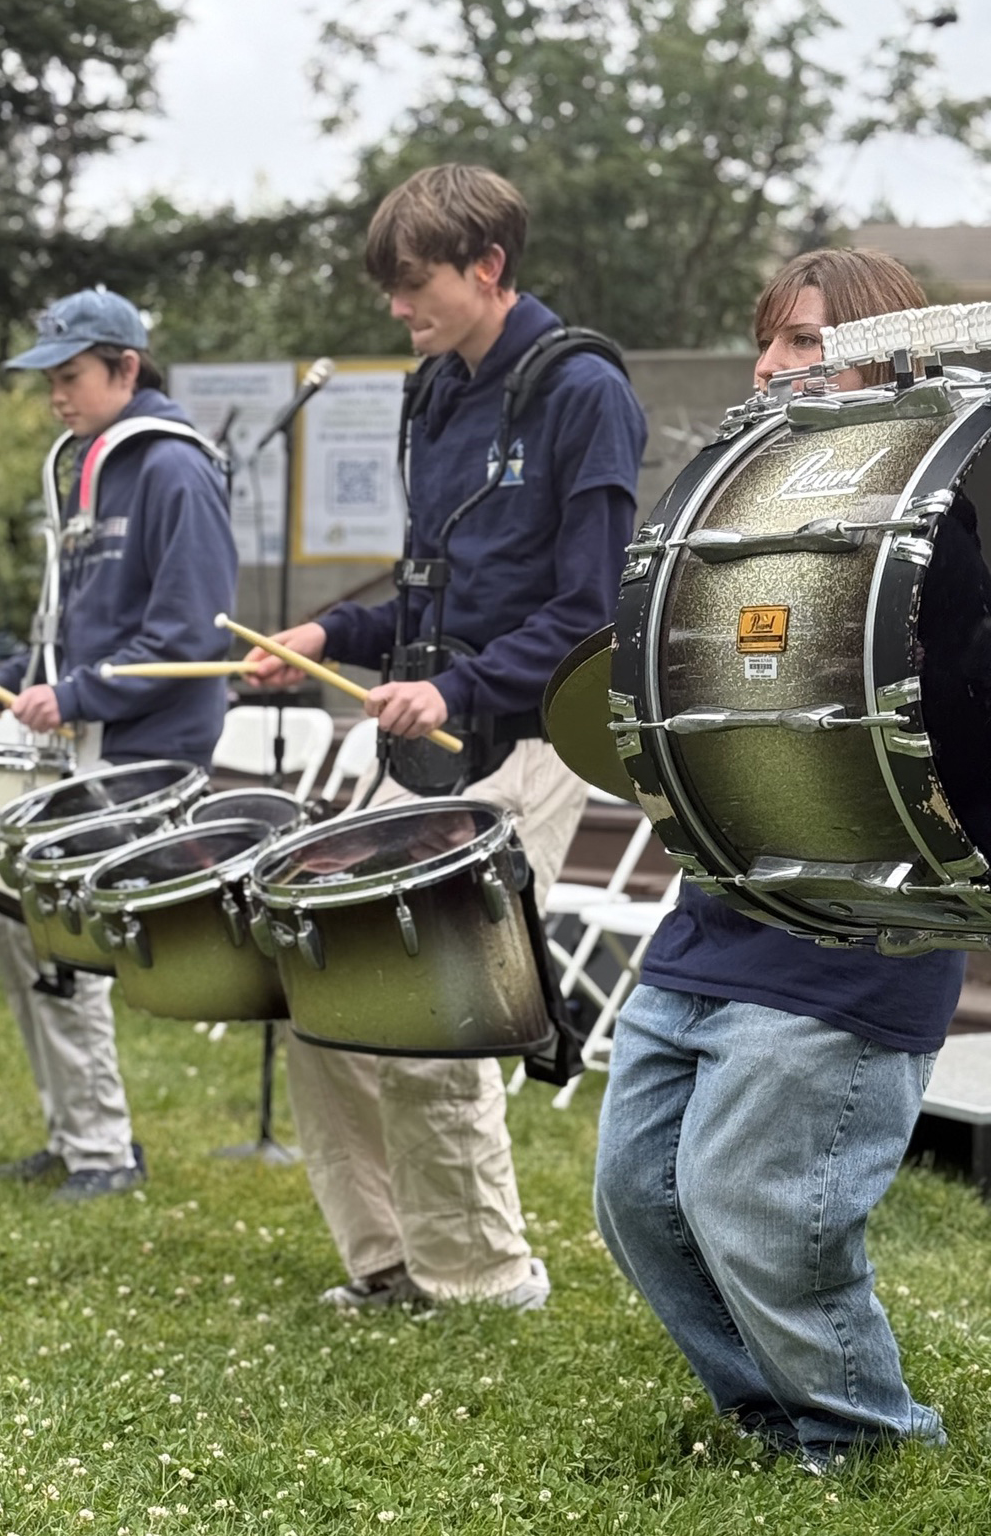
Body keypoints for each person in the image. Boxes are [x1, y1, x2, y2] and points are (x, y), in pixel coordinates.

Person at [247, 164, 647, 1308]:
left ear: (489, 267)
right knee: (321, 989)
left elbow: (593, 609)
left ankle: (482, 1277)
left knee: (431, 1009)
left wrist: (463, 686)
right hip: (434, 741)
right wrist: (331, 627)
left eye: (412, 284)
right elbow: (430, 594)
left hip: (525, 738)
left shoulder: (584, 393)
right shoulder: (438, 391)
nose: (395, 308)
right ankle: (388, 1264)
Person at [594, 248, 961, 1468]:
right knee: (640, 1196)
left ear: (894, 351)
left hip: (858, 934)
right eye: (771, 338)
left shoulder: (945, 530)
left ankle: (864, 1434)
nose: (770, 363)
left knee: (754, 1205)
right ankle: (768, 1413)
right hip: (716, 916)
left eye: (805, 340)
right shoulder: (744, 516)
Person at [0, 288, 238, 1200]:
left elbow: (193, 636)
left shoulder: (172, 470)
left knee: (58, 932)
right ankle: (72, 1136)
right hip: (88, 734)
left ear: (126, 368)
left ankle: (106, 1151)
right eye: (51, 380)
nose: (56, 398)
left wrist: (70, 694)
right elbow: (76, 622)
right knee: (14, 922)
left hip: (146, 749)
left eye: (71, 377)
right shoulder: (88, 462)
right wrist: (4, 683)